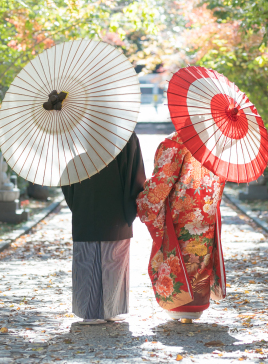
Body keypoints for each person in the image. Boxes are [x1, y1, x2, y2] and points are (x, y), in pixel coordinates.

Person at [136, 133, 226, 323]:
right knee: (200, 259)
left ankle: (179, 307)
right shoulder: (216, 144)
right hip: (205, 215)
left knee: (179, 260)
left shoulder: (175, 143)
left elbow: (162, 181)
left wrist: (144, 202)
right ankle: (195, 307)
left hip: (180, 217)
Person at [61, 132, 145, 324]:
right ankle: (111, 309)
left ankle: (89, 311)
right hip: (116, 209)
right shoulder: (125, 134)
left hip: (86, 205)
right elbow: (136, 175)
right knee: (113, 260)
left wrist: (77, 202)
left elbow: (66, 175)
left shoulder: (76, 132)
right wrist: (130, 207)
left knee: (87, 259)